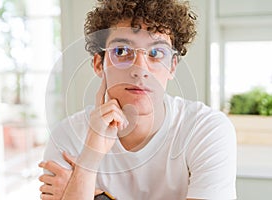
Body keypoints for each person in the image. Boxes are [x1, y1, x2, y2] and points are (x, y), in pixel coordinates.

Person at [38, 0, 237, 199]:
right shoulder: (68, 138)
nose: (140, 69)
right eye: (122, 51)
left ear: (172, 66)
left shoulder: (206, 129)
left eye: (156, 53)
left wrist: (98, 196)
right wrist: (89, 160)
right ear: (99, 64)